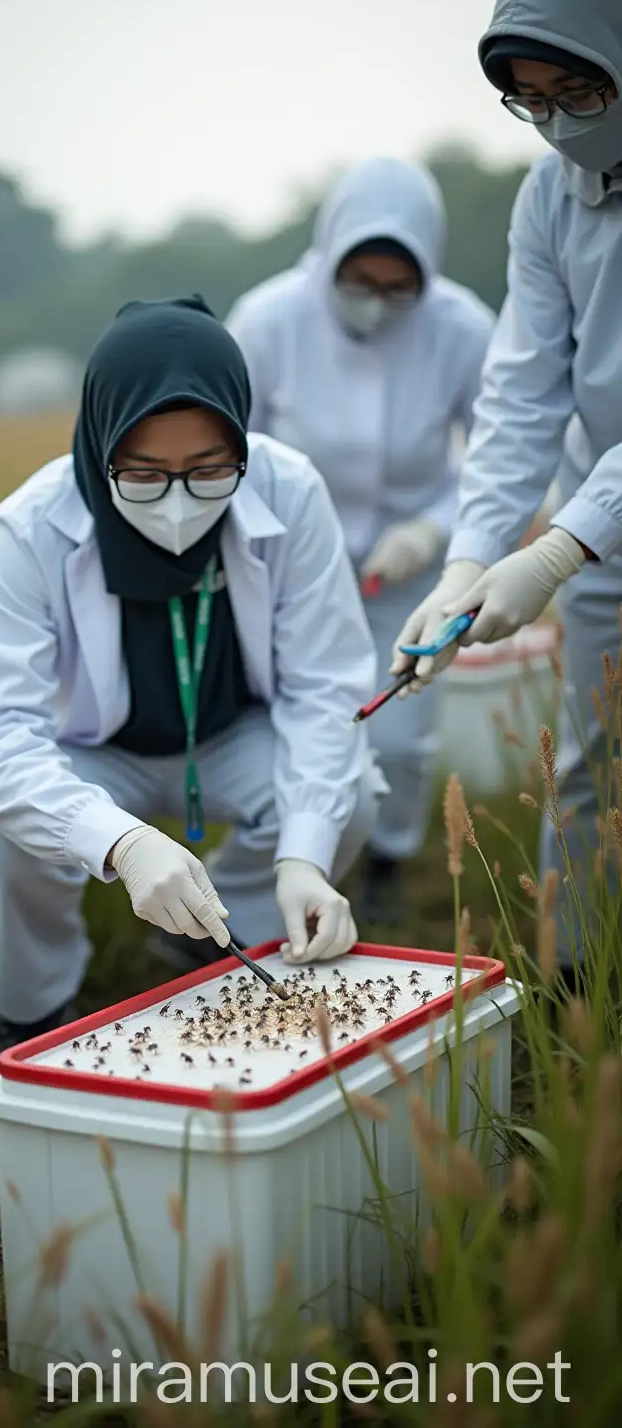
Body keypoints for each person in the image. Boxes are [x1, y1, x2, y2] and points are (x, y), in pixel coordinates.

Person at [0, 295, 387, 1072]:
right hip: (91, 749)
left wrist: (304, 856)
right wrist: (118, 838)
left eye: (211, 471)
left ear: (242, 439)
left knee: (349, 801)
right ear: (101, 440)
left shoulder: (291, 491)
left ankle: (219, 938)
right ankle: (27, 1006)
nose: (179, 501)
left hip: (231, 735)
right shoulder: (27, 529)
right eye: (144, 474)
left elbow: (325, 688)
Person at [391, 0, 622, 981]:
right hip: (595, 521)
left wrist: (561, 545)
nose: (556, 126)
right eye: (531, 103)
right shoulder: (549, 198)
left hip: (587, 523)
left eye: (579, 94)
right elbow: (523, 391)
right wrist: (473, 558)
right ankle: (574, 989)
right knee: (587, 762)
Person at [225, 158, 496, 928]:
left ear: (427, 272)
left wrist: (433, 529)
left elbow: (498, 451)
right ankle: (274, 869)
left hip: (408, 572)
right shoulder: (269, 318)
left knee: (401, 736)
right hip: (289, 567)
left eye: (396, 287)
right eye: (360, 280)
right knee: (292, 718)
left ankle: (384, 861)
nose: (376, 303)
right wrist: (277, 536)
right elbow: (232, 445)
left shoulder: (463, 328)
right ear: (330, 253)